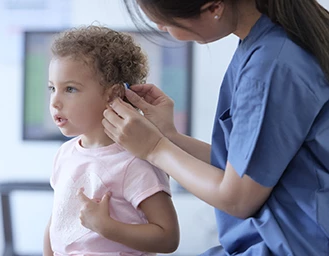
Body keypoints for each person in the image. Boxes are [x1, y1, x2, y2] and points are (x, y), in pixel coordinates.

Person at [102, 0, 329, 255]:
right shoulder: (267, 45)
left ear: (214, 7)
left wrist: (155, 149)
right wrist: (169, 137)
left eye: (164, 19)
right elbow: (246, 168)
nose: (160, 26)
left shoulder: (270, 65)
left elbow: (237, 199)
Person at [43, 25, 180, 256]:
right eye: (52, 88)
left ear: (113, 94)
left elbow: (168, 238)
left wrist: (108, 228)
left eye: (70, 89)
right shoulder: (65, 154)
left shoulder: (136, 160)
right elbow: (59, 222)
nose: (55, 101)